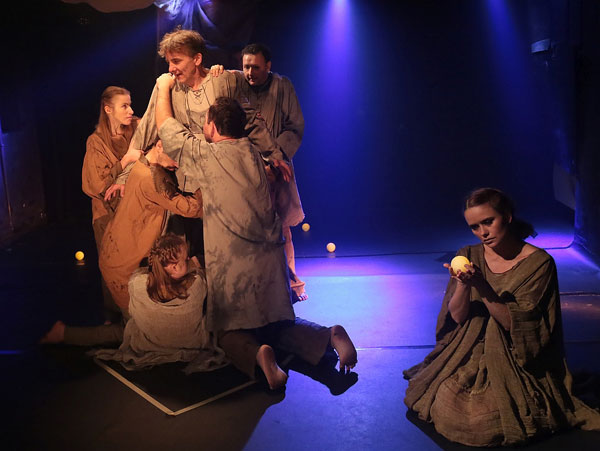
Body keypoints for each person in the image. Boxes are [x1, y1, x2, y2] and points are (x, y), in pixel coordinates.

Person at [155, 77, 357, 389]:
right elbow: (250, 121)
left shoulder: (208, 156)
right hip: (270, 261)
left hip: (234, 265)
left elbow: (168, 129)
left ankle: (257, 355)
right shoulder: (252, 153)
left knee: (227, 334)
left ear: (212, 127)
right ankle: (327, 336)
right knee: (278, 327)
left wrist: (163, 87)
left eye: (206, 122)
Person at [403, 188, 600, 446]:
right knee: (444, 399)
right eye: (474, 227)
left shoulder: (538, 264)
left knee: (485, 421)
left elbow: (519, 327)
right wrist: (462, 284)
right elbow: (458, 317)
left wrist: (482, 286)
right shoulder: (469, 255)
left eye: (488, 222)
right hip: (470, 348)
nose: (482, 232)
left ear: (507, 216)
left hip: (514, 356)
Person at [107, 28, 290, 260]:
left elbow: (251, 120)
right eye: (168, 62)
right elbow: (144, 134)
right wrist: (124, 177)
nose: (171, 68)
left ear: (197, 59)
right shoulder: (167, 87)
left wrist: (274, 154)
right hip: (186, 184)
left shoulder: (222, 81)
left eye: (176, 61)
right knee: (189, 251)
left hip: (222, 178)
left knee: (226, 249)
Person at [42, 235, 227, 374]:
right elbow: (197, 272)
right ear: (175, 267)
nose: (189, 259)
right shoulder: (197, 285)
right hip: (191, 344)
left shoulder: (138, 283)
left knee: (123, 330)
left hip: (148, 343)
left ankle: (63, 333)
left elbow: (134, 307)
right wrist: (194, 264)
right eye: (186, 258)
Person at [232, 43, 307, 301]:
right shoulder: (236, 84)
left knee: (281, 226)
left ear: (268, 66)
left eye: (255, 67)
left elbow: (295, 126)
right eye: (246, 67)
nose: (249, 73)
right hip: (245, 169)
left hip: (277, 167)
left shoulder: (282, 86)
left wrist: (275, 158)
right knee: (249, 228)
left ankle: (291, 286)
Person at [99, 140, 203, 317]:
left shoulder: (142, 165)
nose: (177, 163)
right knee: (137, 325)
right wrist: (208, 184)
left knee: (135, 323)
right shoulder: (151, 179)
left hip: (115, 252)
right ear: (160, 145)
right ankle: (64, 331)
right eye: (175, 157)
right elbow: (190, 208)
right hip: (124, 265)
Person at [81, 86, 138, 321]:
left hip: (134, 213)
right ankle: (115, 323)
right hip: (108, 216)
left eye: (130, 104)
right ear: (108, 109)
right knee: (113, 268)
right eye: (124, 106)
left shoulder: (136, 127)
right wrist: (126, 161)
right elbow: (98, 185)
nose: (131, 110)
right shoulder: (96, 142)